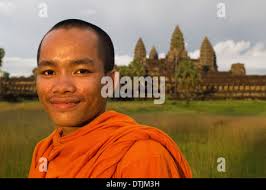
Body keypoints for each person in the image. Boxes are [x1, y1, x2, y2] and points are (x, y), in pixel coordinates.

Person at [28, 19, 192, 178]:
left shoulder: (142, 156)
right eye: (48, 72)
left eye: (81, 71)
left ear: (110, 81)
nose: (62, 87)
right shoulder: (44, 151)